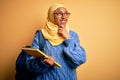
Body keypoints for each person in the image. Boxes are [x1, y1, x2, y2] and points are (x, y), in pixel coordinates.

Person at [26, 3, 86, 80]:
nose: (64, 17)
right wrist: (43, 63)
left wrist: (67, 38)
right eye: (59, 14)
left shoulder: (72, 35)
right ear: (51, 15)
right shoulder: (41, 35)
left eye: (66, 13)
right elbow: (30, 66)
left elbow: (79, 60)